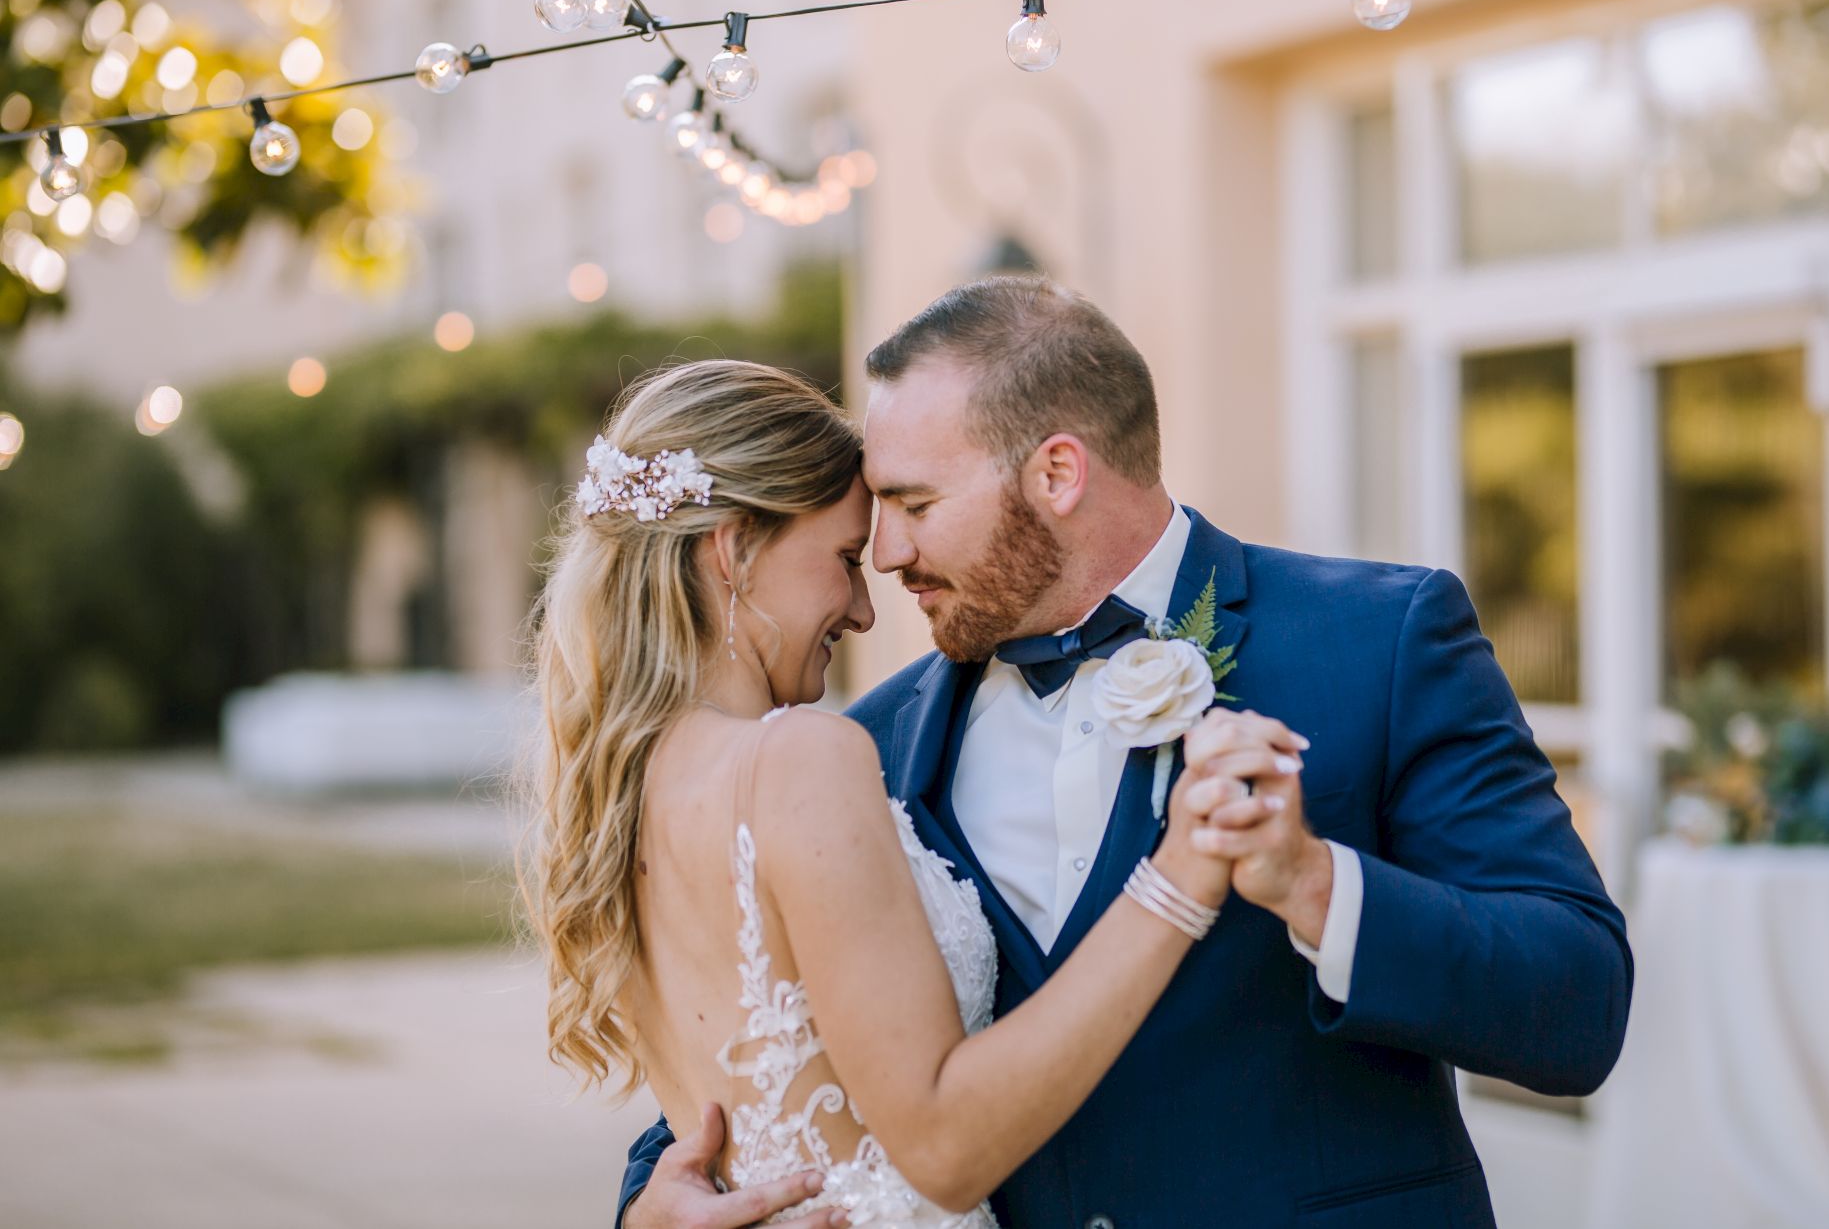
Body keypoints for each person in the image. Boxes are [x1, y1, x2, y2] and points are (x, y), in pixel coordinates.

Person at [616, 277, 1634, 1229]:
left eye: (914, 504)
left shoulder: (1381, 640)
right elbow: (777, 1047)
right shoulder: (866, 745)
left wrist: (1316, 885)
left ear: (1056, 471)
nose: (884, 554)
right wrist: (647, 1204)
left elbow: (1577, 1004)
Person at [520, 358, 1305, 1228]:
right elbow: (942, 1149)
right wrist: (1183, 873)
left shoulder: (621, 793)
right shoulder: (799, 758)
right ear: (733, 549)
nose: (863, 607)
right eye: (846, 557)